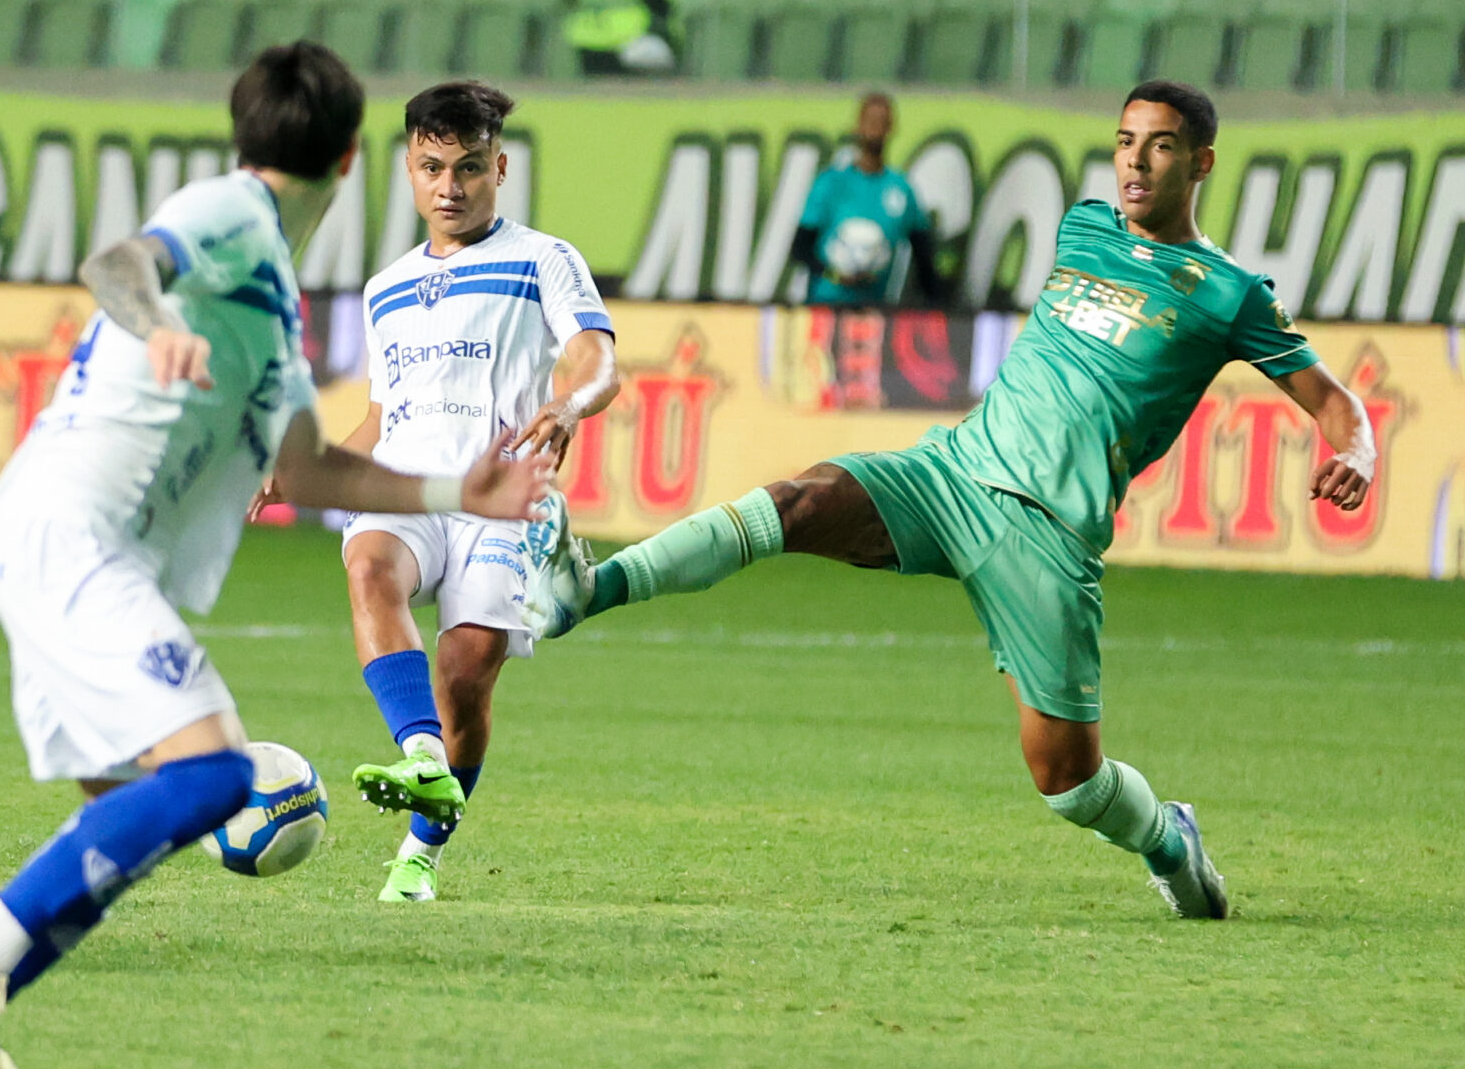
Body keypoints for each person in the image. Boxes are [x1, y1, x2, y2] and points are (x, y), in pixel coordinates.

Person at [523, 82, 1378, 922]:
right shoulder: (1084, 229)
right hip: (955, 471)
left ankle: (1165, 837)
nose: (1135, 162)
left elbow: (1335, 402)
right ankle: (589, 589)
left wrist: (1356, 450)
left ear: (1202, 162)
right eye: (1124, 141)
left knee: (1068, 783)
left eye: (1159, 145)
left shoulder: (1230, 294)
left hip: (1047, 537)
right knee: (798, 500)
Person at [0, 44, 553, 1069]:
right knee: (210, 777)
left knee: (128, 817)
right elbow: (116, 267)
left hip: (75, 545)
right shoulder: (232, 213)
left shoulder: (275, 301)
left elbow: (309, 467)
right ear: (349, 156)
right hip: (74, 537)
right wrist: (155, 328)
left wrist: (457, 496)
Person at [338, 82, 620, 905]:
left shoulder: (543, 258)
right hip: (406, 485)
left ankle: (419, 854)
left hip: (498, 496)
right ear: (410, 171)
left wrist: (568, 404)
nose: (450, 187)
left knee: (466, 672)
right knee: (369, 568)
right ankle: (421, 757)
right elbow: (382, 415)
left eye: (468, 168)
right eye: (432, 169)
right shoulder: (384, 289)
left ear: (499, 167)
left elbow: (597, 358)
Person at [791, 92, 950, 307]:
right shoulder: (831, 183)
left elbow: (924, 257)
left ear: (892, 128)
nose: (875, 128)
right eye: (870, 121)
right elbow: (800, 248)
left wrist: (937, 306)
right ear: (857, 126)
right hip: (826, 307)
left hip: (876, 311)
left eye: (882, 122)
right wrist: (836, 275)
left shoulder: (901, 190)